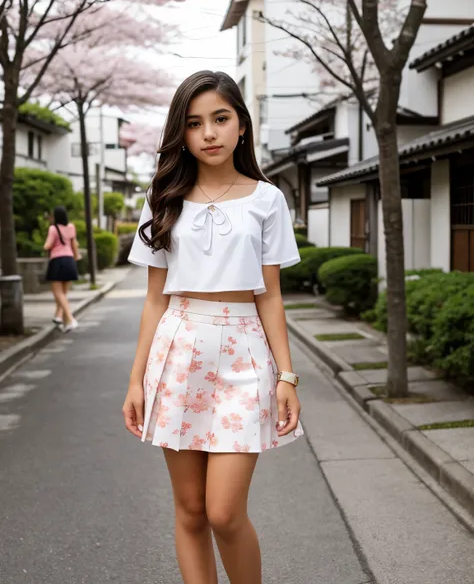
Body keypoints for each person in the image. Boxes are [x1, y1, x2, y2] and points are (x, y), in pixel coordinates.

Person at [123, 70, 304, 584]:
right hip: (178, 351)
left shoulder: (267, 199)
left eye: (221, 119)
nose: (209, 133)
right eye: (195, 123)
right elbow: (155, 299)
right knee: (190, 509)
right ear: (181, 132)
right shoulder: (164, 196)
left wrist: (287, 377)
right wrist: (136, 380)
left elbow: (269, 295)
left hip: (244, 355)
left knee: (224, 512)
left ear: (241, 126)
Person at [43, 206, 80, 333]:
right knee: (63, 294)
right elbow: (74, 244)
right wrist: (76, 257)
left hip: (57, 261)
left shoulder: (53, 228)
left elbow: (47, 245)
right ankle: (59, 317)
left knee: (58, 293)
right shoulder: (71, 227)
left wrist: (49, 245)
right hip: (70, 261)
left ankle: (70, 319)